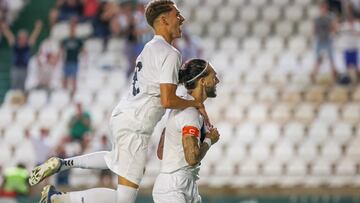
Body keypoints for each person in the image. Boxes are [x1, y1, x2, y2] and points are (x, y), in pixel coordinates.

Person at [30, 1, 208, 203]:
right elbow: (167, 99)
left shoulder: (148, 48)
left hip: (123, 115)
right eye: (177, 15)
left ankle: (63, 163)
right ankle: (59, 198)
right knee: (123, 199)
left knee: (114, 158)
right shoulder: (170, 53)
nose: (182, 18)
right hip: (137, 126)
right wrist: (194, 103)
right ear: (164, 20)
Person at [153, 59, 220, 203]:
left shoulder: (183, 105)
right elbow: (191, 158)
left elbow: (161, 152)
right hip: (174, 187)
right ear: (202, 81)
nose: (217, 80)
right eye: (213, 77)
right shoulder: (190, 113)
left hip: (182, 184)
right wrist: (209, 140)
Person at [0, 20, 43, 91]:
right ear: (19, 38)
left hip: (25, 68)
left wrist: (37, 28)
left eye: (24, 38)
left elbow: (34, 36)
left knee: (24, 87)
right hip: (16, 68)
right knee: (15, 86)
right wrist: (4, 28)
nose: (23, 39)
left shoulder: (27, 46)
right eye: (21, 38)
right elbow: (9, 36)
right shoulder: (15, 45)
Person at [312, 2, 338, 82]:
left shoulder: (330, 17)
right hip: (320, 40)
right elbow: (314, 30)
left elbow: (334, 28)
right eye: (322, 8)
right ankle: (313, 76)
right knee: (318, 59)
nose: (323, 10)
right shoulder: (317, 18)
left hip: (328, 40)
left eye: (325, 8)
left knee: (331, 58)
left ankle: (334, 77)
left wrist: (330, 29)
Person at [61, 17, 84, 92]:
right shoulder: (65, 40)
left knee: (74, 77)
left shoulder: (78, 40)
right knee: (66, 77)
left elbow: (83, 50)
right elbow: (61, 50)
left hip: (75, 61)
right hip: (67, 61)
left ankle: (74, 91)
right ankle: (64, 92)